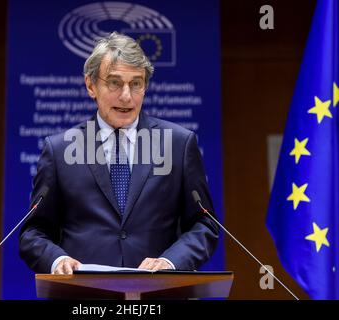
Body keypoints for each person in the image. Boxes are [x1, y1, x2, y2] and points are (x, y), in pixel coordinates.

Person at [19, 32, 219, 275]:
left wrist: (170, 263)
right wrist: (56, 260)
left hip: (157, 295)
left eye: (136, 84)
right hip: (84, 298)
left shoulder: (179, 144)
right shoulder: (60, 150)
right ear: (91, 85)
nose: (127, 96)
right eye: (115, 82)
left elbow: (205, 224)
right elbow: (33, 232)